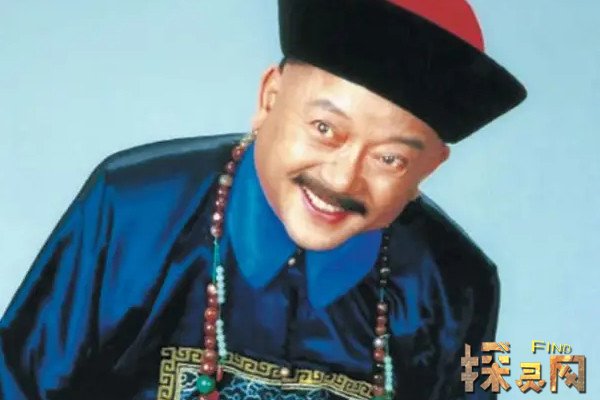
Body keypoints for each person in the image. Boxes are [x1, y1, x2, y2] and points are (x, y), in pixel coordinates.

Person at [0, 0, 526, 399]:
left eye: (389, 159)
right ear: (269, 99)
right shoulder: (134, 208)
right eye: (325, 129)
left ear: (428, 169)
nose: (342, 179)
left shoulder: (460, 282)